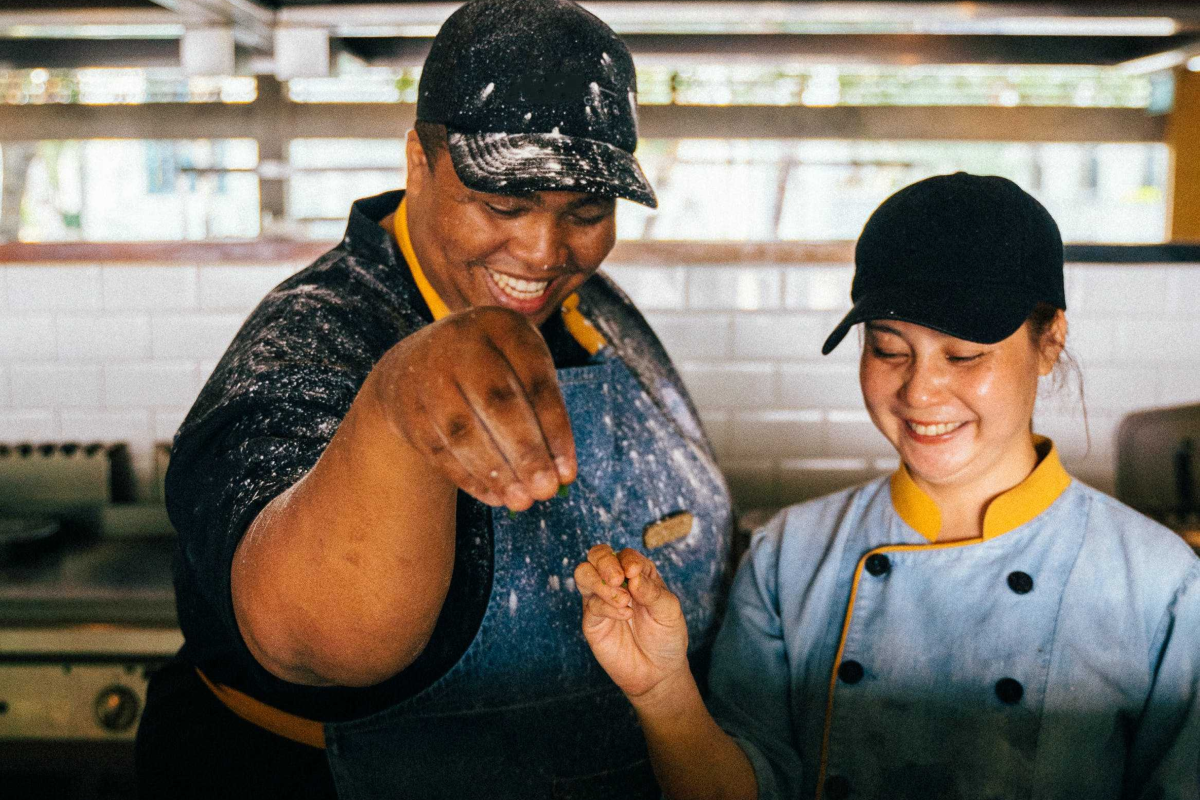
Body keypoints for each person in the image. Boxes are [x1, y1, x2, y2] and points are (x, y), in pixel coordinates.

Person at [135, 1, 733, 797]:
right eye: (504, 205)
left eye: (586, 213)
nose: (543, 252)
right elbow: (307, 640)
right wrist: (394, 406)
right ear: (419, 159)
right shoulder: (312, 337)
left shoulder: (595, 311)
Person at [576, 173, 1200, 800]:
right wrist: (662, 692)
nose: (919, 392)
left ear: (1050, 342)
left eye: (962, 355)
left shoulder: (1160, 584)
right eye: (888, 348)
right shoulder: (790, 555)